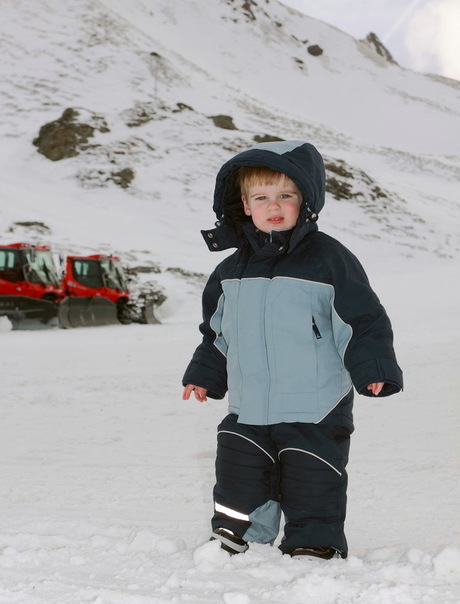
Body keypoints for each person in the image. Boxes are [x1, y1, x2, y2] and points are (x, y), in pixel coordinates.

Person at [182, 140, 403, 559]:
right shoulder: (230, 271)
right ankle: (239, 533)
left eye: (286, 195)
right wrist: (203, 375)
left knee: (312, 476)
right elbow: (216, 332)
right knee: (239, 471)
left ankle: (313, 540)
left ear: (306, 201)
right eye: (262, 197)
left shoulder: (329, 260)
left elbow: (362, 319)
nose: (275, 206)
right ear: (245, 205)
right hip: (249, 404)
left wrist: (373, 366)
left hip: (315, 404)